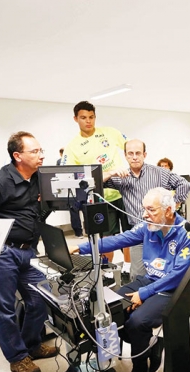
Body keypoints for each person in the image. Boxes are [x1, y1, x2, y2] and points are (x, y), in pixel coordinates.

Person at [70, 187, 190, 372]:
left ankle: (141, 363)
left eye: (151, 210)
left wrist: (144, 293)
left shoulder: (187, 234)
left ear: (168, 211)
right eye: (144, 209)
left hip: (174, 290)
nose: (145, 215)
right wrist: (80, 248)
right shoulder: (148, 227)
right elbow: (118, 240)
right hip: (150, 280)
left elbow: (177, 276)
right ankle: (150, 344)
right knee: (111, 308)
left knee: (137, 322)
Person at [0, 132, 58, 372]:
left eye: (41, 150)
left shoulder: (39, 179)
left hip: (28, 251)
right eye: (35, 151)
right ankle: (18, 357)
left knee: (40, 298)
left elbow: (38, 212)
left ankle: (31, 345)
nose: (41, 155)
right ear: (17, 156)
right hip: (1, 253)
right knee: (4, 309)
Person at [106, 139, 190, 280]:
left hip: (162, 232)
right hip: (139, 233)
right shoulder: (120, 178)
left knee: (164, 272)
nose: (134, 157)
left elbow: (184, 185)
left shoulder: (160, 173)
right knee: (138, 275)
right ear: (125, 155)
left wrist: (171, 207)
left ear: (144, 155)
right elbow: (94, 181)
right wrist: (111, 172)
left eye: (138, 153)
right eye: (130, 153)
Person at [62, 100, 130, 262]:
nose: (88, 121)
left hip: (124, 192)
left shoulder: (110, 133)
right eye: (83, 117)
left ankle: (129, 269)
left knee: (130, 236)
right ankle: (107, 271)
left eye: (91, 117)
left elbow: (131, 148)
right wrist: (105, 174)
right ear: (75, 119)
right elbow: (70, 176)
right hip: (100, 198)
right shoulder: (72, 147)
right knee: (106, 240)